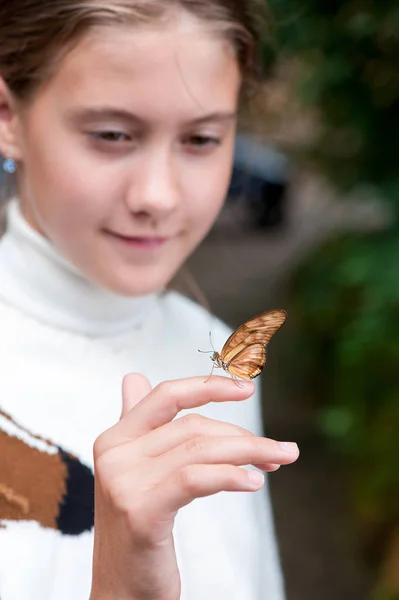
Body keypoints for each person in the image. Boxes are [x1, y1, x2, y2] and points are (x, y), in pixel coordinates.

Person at [0, 1, 300, 598]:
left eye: (202, 138)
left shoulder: (215, 346)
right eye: (112, 135)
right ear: (8, 117)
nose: (157, 195)